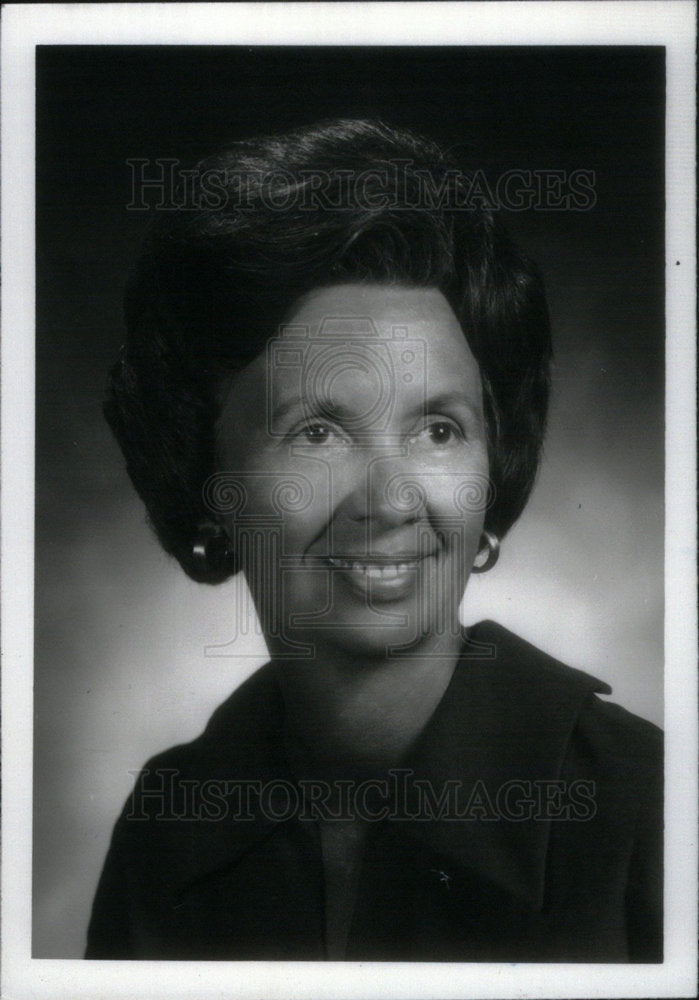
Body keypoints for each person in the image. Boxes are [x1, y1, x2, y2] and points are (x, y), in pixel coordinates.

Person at [86, 119, 662, 962]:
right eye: (317, 432)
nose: (392, 502)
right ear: (201, 473)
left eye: (437, 428)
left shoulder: (654, 807)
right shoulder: (170, 819)